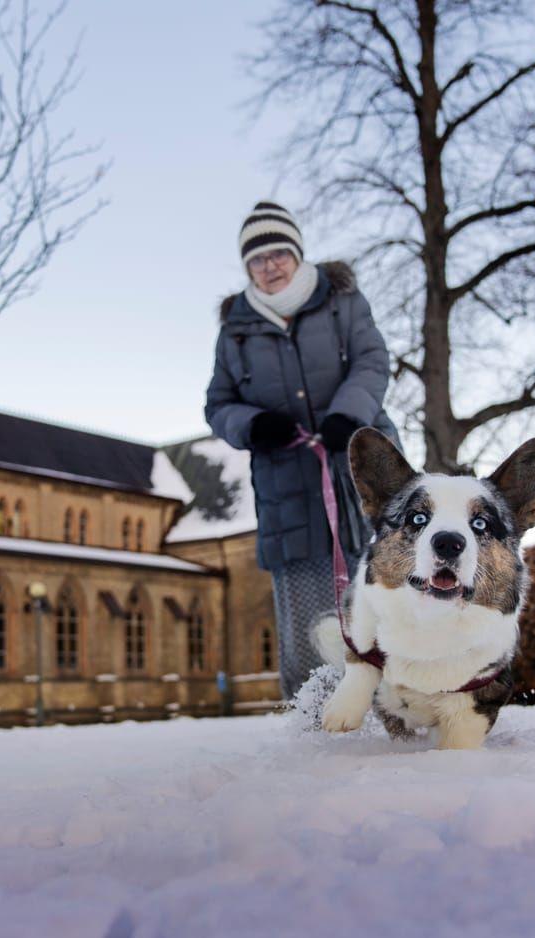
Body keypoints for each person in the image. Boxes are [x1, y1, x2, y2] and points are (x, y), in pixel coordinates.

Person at [205, 201, 398, 699]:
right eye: (257, 258)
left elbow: (373, 359)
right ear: (247, 267)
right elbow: (219, 404)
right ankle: (314, 715)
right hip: (287, 484)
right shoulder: (236, 331)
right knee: (308, 607)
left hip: (362, 466)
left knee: (386, 591)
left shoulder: (343, 302)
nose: (269, 266)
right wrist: (254, 425)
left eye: (278, 253)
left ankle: (401, 702)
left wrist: (349, 416)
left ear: (296, 253)